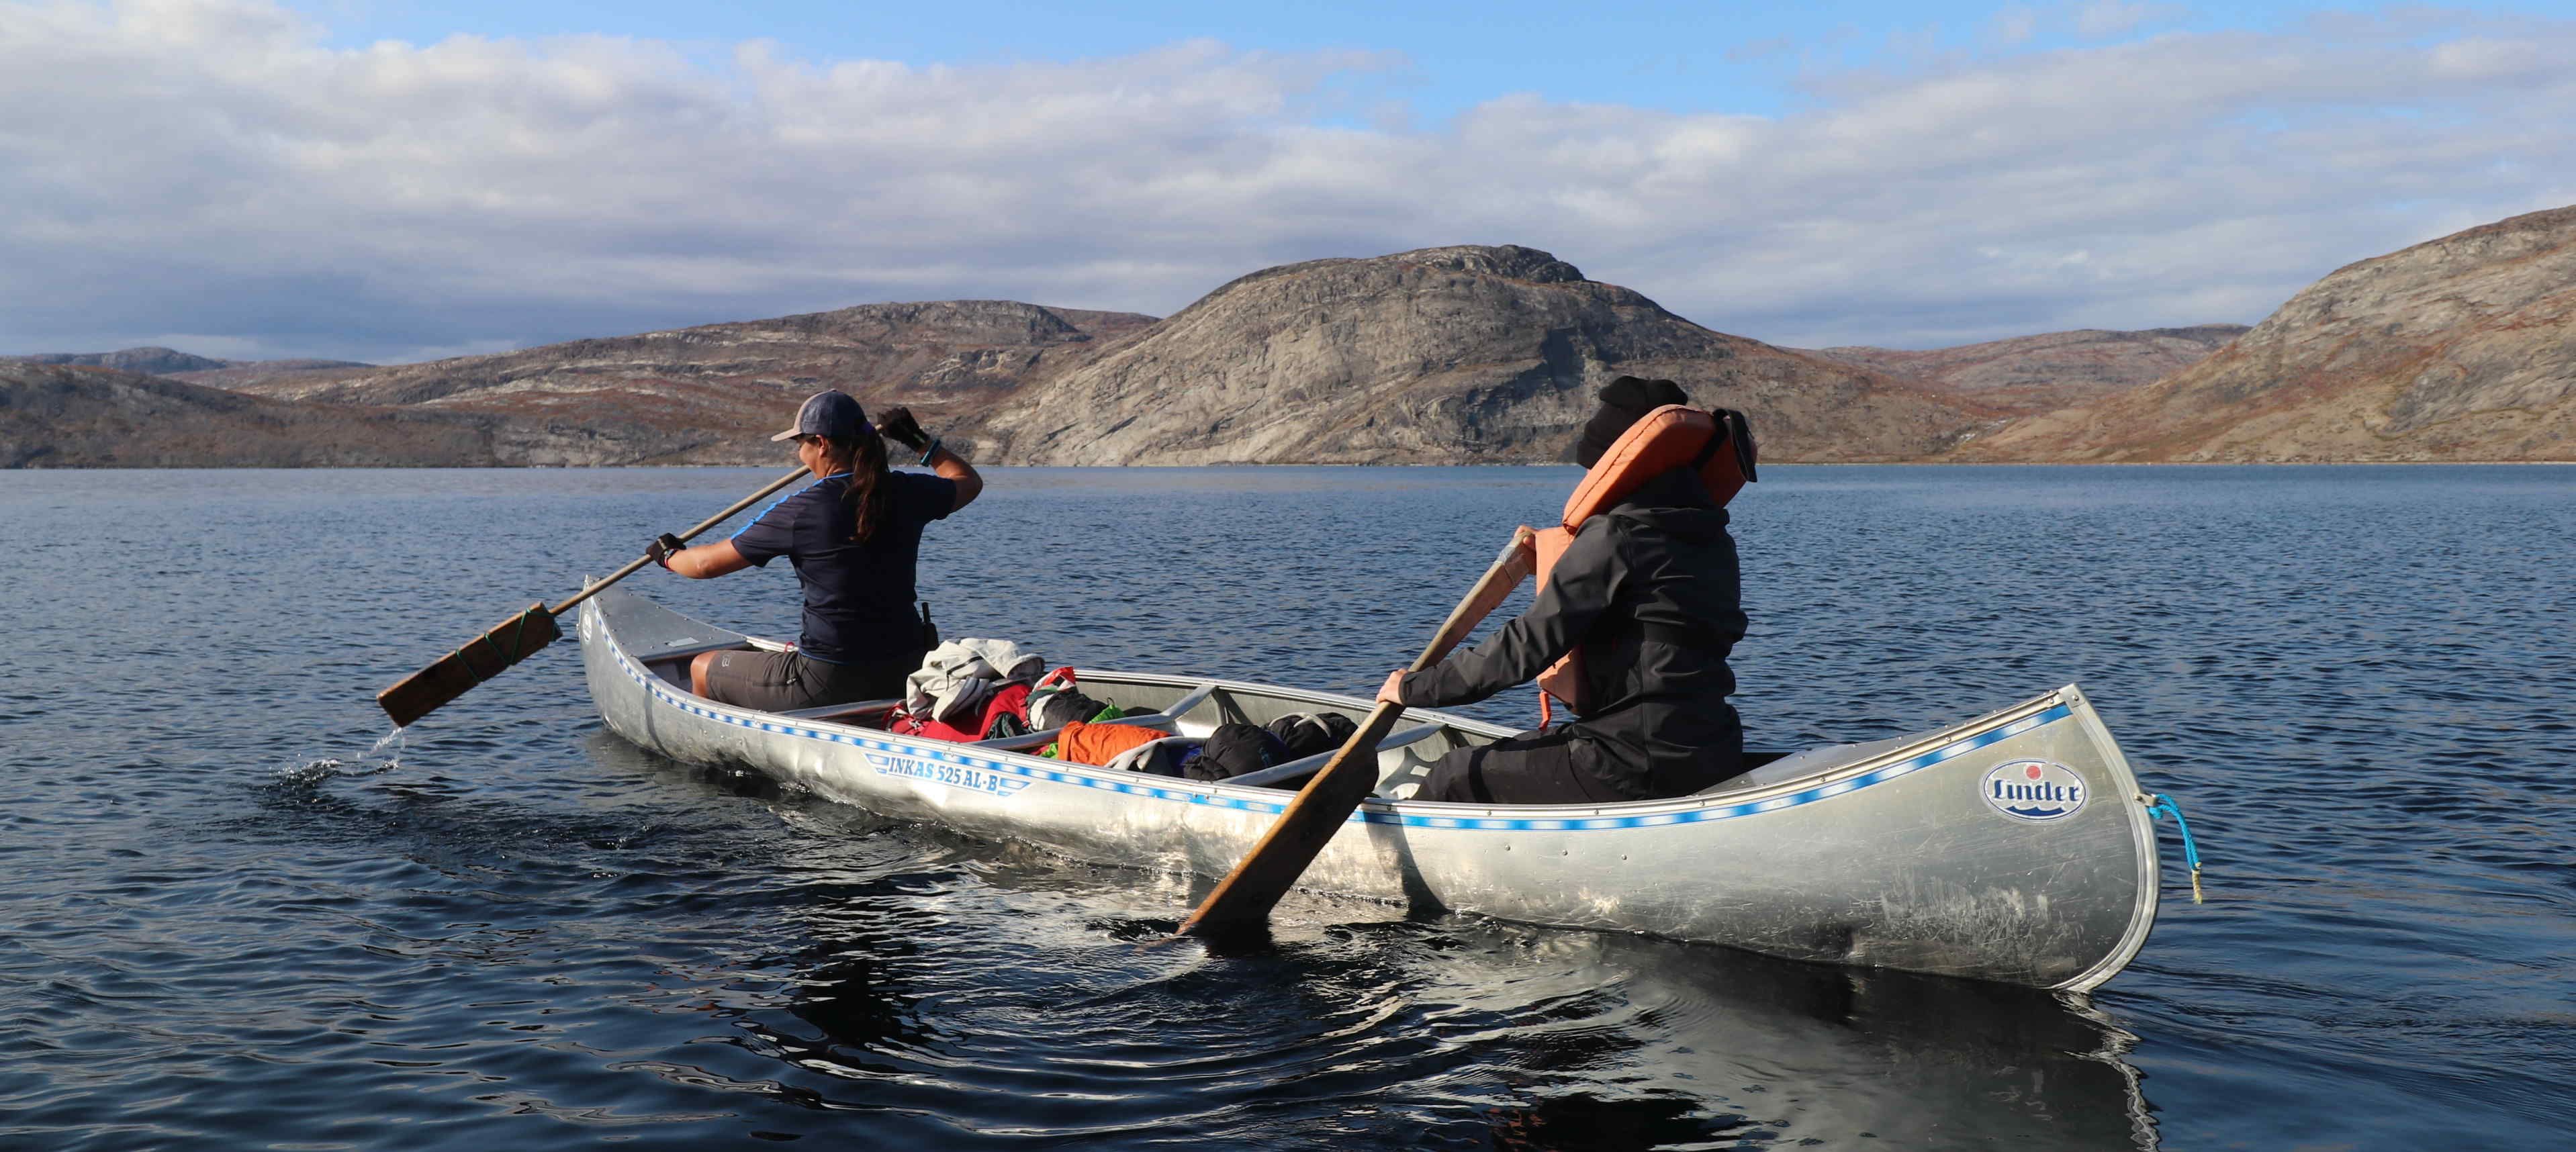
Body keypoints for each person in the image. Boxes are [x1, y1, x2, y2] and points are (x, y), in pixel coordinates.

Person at [1377, 377, 1746, 804]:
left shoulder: (1617, 535)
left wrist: (1414, 689)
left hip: (1631, 760)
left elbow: (1527, 646)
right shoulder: (1710, 537)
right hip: (1709, 746)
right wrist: (1559, 553)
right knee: (1523, 750)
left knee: (1453, 773)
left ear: (1621, 464)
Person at [649, 389, 982, 710]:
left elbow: (705, 565)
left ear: (821, 444)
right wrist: (918, 440)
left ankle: (714, 755)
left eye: (800, 444)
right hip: (905, 669)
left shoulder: (802, 510)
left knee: (702, 667)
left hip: (827, 678)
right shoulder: (909, 490)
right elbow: (967, 481)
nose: (801, 456)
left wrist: (669, 556)